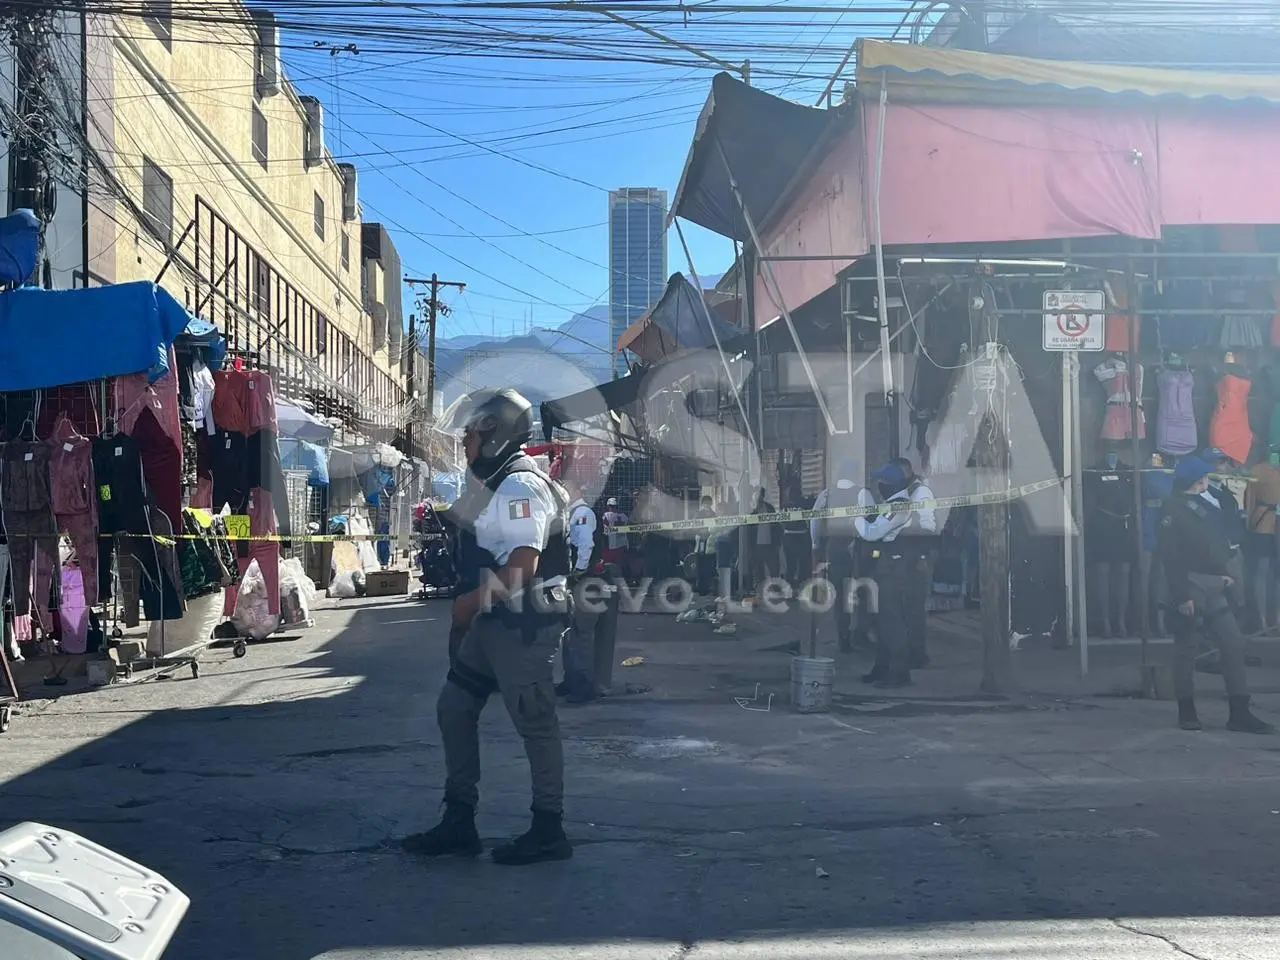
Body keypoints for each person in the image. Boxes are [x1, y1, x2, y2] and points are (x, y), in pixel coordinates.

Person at [402, 389, 576, 865]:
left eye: (471, 434)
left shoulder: (520, 487)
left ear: (495, 434)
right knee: (454, 708)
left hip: (524, 622)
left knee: (534, 722)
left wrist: (468, 606)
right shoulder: (495, 483)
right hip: (494, 619)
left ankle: (548, 828)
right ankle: (459, 820)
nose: (464, 443)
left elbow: (524, 564)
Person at [1158, 455, 1273, 734]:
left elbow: (1213, 544)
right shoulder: (1172, 510)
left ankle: (1239, 712)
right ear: (1197, 481)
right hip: (1191, 586)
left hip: (1214, 584)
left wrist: (1224, 574)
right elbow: (1171, 557)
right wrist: (1182, 594)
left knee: (1233, 643)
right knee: (1187, 647)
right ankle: (1187, 711)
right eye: (1205, 477)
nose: (1208, 481)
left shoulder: (1201, 505)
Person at [856, 461, 921, 689]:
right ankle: (882, 667)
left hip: (893, 570)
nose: (878, 486)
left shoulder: (899, 506)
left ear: (891, 485)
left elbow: (873, 533)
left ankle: (899, 672)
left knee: (892, 620)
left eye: (881, 483)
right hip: (885, 568)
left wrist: (857, 518)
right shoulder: (891, 504)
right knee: (882, 620)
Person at [812, 461, 870, 653]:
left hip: (834, 548)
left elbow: (815, 521)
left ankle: (843, 637)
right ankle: (860, 633)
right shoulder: (863, 493)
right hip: (858, 548)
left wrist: (816, 546)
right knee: (864, 591)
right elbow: (871, 520)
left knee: (841, 595)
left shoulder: (826, 494)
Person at [559, 478, 604, 703]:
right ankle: (571, 681)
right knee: (570, 634)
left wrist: (578, 571)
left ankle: (583, 687)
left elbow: (585, 544)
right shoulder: (572, 513)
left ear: (576, 490)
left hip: (584, 582)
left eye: (565, 490)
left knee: (582, 634)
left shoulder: (582, 514)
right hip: (577, 581)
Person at [894, 457, 939, 669]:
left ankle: (918, 654)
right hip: (904, 556)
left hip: (917, 557)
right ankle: (909, 651)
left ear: (908, 471)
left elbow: (927, 526)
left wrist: (922, 556)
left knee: (914, 608)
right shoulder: (902, 492)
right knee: (905, 607)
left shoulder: (921, 493)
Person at [751, 488, 778, 592]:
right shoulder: (752, 509)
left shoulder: (770, 508)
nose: (760, 498)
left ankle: (775, 588)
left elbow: (776, 525)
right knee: (758, 569)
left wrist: (776, 542)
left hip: (769, 544)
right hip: (757, 544)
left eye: (761, 495)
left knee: (773, 568)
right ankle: (760, 588)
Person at [600, 496, 629, 568]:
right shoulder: (624, 516)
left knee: (608, 565)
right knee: (621, 566)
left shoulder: (606, 515)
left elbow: (604, 526)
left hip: (611, 544)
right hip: (623, 543)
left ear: (608, 505)